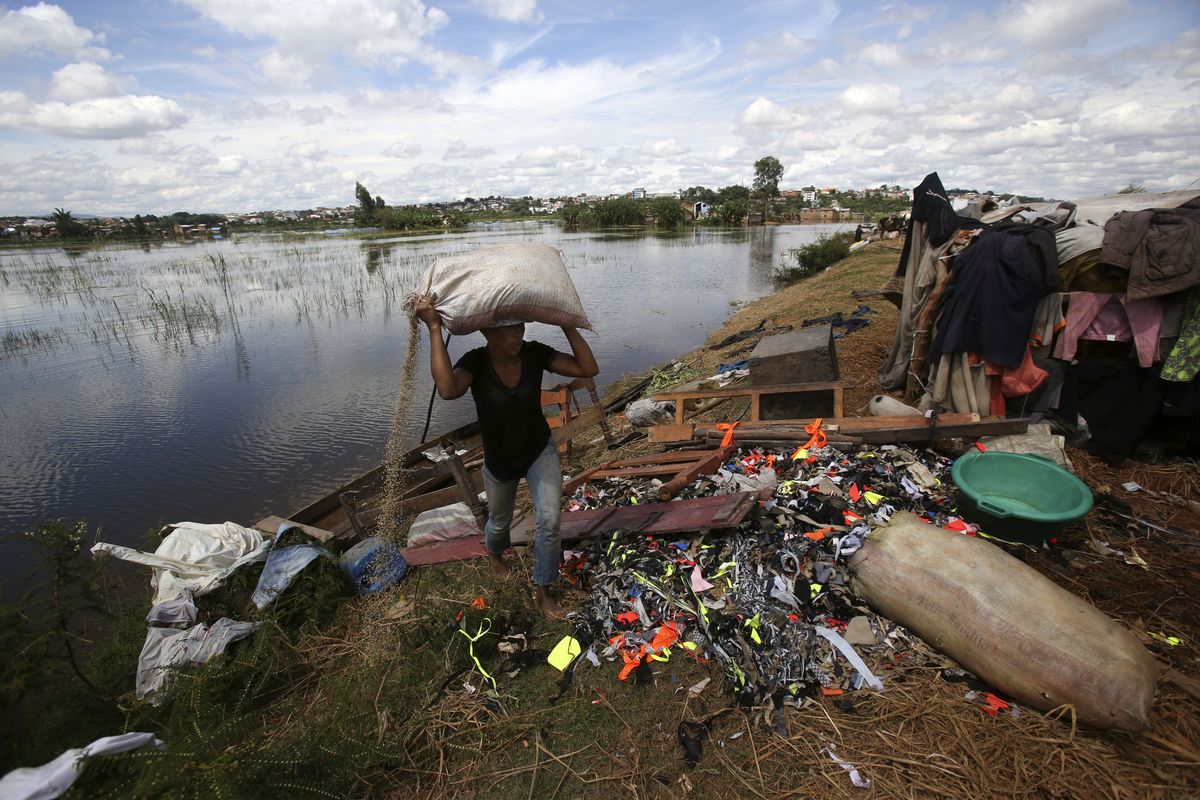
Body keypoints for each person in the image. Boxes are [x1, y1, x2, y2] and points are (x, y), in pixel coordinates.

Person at [412, 293, 598, 618]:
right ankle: (495, 555)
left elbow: (588, 367)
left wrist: (568, 324)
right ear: (487, 333)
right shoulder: (475, 361)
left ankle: (543, 590)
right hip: (500, 461)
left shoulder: (535, 353)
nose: (518, 333)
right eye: (508, 328)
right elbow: (447, 389)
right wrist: (433, 328)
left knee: (550, 519)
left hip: (539, 450)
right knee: (499, 523)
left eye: (519, 325)